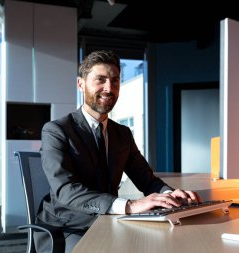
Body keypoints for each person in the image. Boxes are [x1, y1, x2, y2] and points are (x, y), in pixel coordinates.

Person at [34, 50, 202, 252]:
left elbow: (146, 179)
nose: (109, 88)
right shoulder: (57, 130)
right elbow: (66, 191)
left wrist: (170, 195)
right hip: (67, 227)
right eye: (100, 80)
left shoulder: (122, 133)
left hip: (110, 220)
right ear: (81, 84)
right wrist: (130, 205)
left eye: (115, 81)